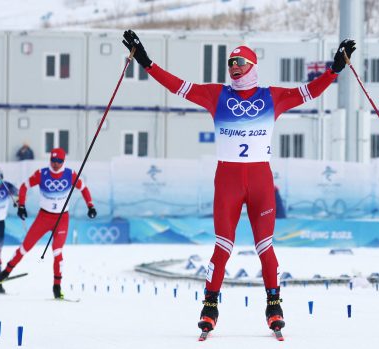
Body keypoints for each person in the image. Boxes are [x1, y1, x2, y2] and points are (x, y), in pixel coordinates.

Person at [122, 30, 356, 334]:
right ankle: (210, 305)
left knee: (265, 246)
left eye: (240, 61)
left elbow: (310, 92)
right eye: (230, 62)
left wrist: (335, 69)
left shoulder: (271, 96)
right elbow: (178, 86)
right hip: (228, 182)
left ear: (253, 66)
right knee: (222, 246)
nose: (233, 66)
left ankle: (274, 304)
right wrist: (146, 62)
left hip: (260, 181)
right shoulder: (217, 94)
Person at [0, 148, 98, 299]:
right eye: (53, 161)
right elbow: (24, 186)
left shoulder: (71, 174)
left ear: (63, 161)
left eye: (59, 161)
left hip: (61, 219)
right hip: (44, 218)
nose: (55, 164)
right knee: (24, 247)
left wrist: (91, 206)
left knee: (57, 252)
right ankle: (4, 274)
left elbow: (84, 189)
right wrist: (21, 205)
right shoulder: (42, 174)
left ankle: (56, 287)